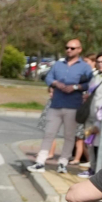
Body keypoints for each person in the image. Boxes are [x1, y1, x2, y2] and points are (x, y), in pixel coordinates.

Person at [33, 38, 93, 173]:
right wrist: (56, 83)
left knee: (69, 136)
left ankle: (63, 163)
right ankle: (40, 162)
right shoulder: (58, 64)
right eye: (67, 47)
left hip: (73, 105)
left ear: (79, 50)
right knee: (49, 133)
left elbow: (90, 83)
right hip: (56, 104)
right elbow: (48, 77)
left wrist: (75, 87)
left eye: (72, 48)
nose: (69, 50)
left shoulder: (84, 67)